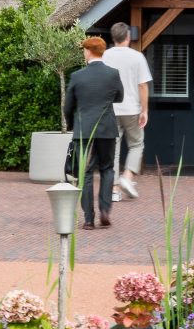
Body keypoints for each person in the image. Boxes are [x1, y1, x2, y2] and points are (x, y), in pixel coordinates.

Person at [63, 35, 124, 228]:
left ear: (88, 51)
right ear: (102, 52)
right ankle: (105, 210)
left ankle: (89, 219)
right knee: (107, 169)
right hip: (107, 129)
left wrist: (72, 125)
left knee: (86, 173)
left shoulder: (77, 76)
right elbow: (120, 97)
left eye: (84, 50)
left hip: (84, 131)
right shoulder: (113, 74)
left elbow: (68, 106)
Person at [102, 21, 152, 199]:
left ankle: (114, 190)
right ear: (128, 37)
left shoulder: (105, 56)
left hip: (110, 109)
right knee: (137, 144)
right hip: (131, 108)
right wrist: (144, 110)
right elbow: (143, 86)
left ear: (113, 37)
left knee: (113, 148)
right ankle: (128, 176)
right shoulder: (137, 57)